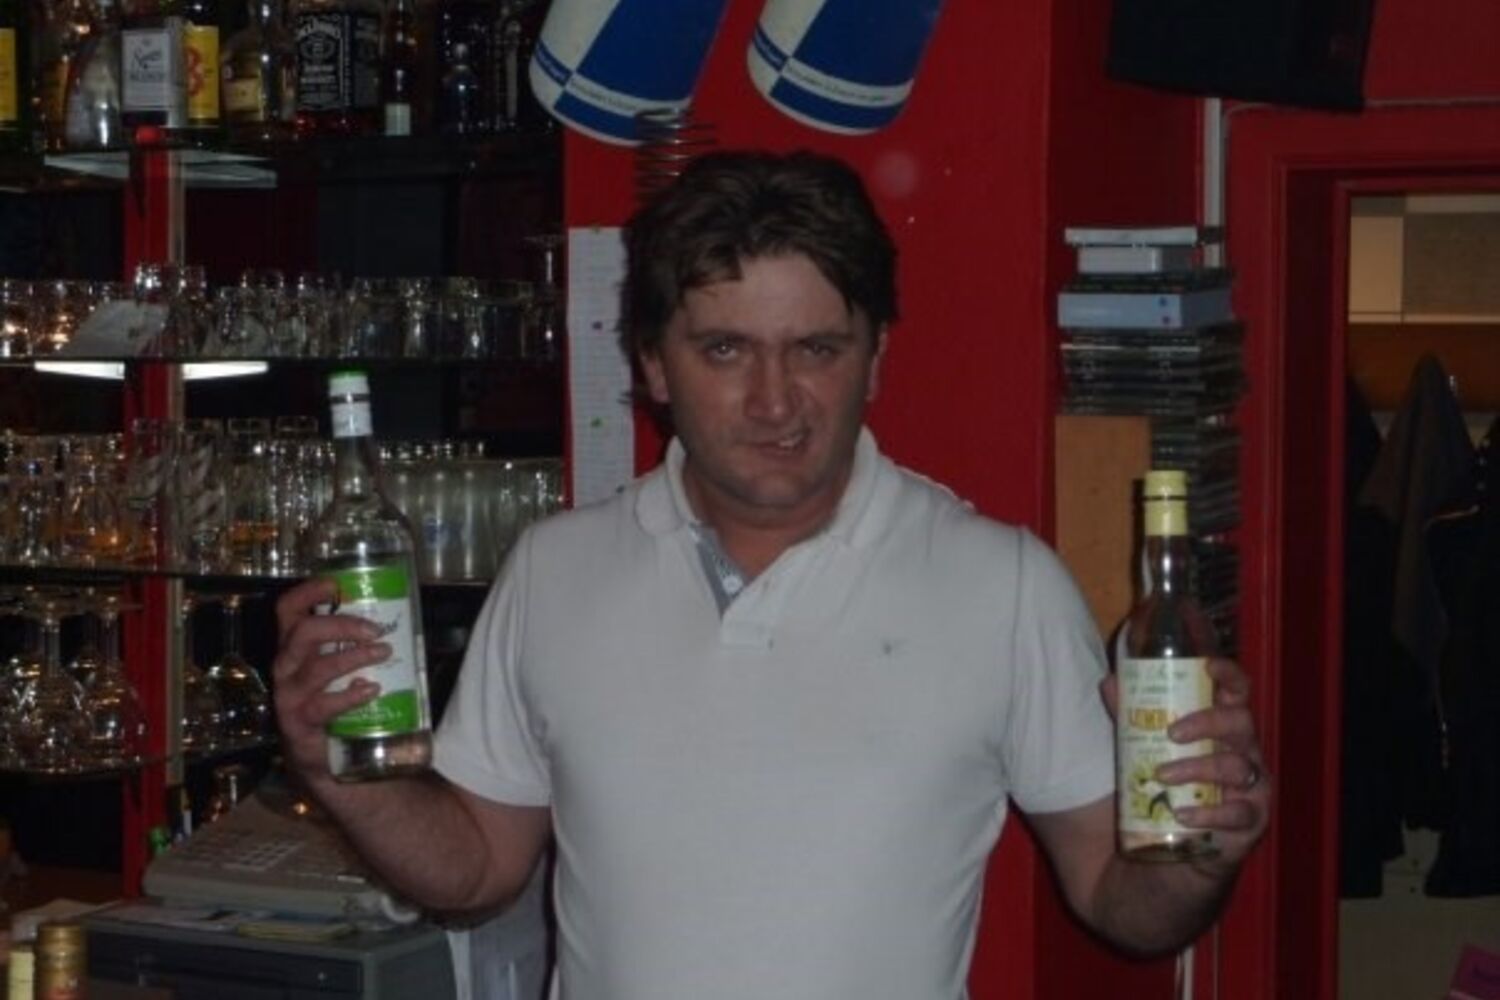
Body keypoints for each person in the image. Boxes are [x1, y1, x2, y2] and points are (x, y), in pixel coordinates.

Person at [272, 149, 1272, 998]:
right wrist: (339, 771)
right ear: (652, 365)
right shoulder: (552, 569)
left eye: (816, 349)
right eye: (725, 349)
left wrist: (1203, 849)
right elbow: (476, 868)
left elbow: (1122, 900)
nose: (774, 400)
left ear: (875, 358)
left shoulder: (1003, 583)